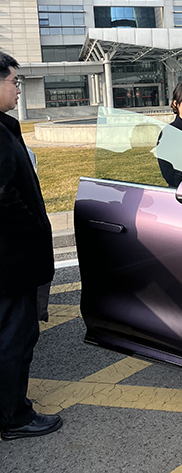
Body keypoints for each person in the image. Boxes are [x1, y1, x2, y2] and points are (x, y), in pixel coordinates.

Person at [0, 53, 62, 439]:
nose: (18, 89)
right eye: (13, 82)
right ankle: (15, 418)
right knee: (15, 337)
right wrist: (33, 228)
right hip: (12, 259)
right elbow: (3, 197)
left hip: (11, 257)